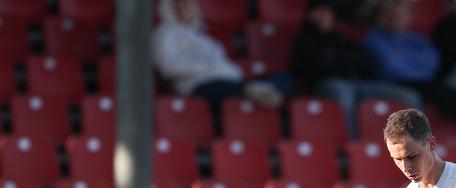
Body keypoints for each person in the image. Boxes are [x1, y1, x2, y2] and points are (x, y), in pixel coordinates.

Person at [291, 0, 423, 138]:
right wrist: (339, 64)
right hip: (327, 83)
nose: (325, 16)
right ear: (311, 15)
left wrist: (339, 62)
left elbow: (364, 60)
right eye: (320, 12)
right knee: (343, 93)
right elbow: (310, 68)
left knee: (409, 96)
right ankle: (352, 142)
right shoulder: (304, 38)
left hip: (357, 82)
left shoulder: (339, 36)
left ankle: (417, 144)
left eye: (328, 12)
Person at [153, 0, 293, 114]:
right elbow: (168, 67)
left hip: (229, 79)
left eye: (185, 6)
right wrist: (207, 67)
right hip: (199, 85)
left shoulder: (201, 35)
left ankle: (258, 89)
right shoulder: (166, 33)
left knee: (285, 78)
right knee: (224, 90)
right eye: (177, 7)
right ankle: (253, 90)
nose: (183, 11)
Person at [365, 0, 456, 121]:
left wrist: (404, 59)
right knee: (427, 94)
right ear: (383, 16)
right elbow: (391, 68)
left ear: (408, 16)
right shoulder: (375, 38)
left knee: (453, 95)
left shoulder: (416, 39)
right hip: (392, 84)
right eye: (392, 15)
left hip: (422, 83)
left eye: (400, 15)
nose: (396, 18)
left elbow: (432, 63)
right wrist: (416, 65)